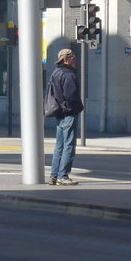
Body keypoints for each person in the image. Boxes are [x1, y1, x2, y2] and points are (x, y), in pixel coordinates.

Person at [47, 48, 83, 185]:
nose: (75, 59)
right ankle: (63, 176)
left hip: (59, 113)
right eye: (73, 57)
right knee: (69, 145)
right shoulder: (69, 74)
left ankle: (54, 175)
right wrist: (79, 108)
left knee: (59, 146)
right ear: (66, 59)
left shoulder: (56, 73)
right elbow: (71, 96)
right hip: (69, 113)